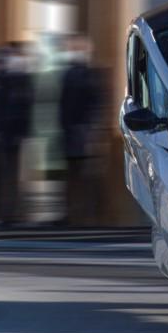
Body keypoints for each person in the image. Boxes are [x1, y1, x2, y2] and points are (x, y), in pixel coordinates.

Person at [0, 44, 35, 227]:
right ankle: (1, 213)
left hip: (15, 136)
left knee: (14, 175)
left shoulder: (22, 80)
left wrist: (23, 132)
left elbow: (26, 107)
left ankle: (13, 213)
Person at [58, 34, 103, 226]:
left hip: (84, 133)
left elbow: (95, 104)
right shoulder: (68, 74)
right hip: (70, 133)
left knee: (86, 176)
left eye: (75, 48)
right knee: (71, 174)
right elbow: (62, 104)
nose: (71, 52)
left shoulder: (90, 74)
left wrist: (93, 129)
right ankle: (70, 213)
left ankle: (87, 214)